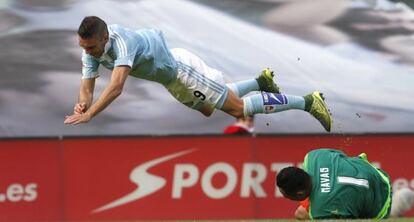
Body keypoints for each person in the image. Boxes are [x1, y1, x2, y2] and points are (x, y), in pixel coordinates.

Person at [64, 16, 332, 132]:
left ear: (105, 37)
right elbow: (87, 84)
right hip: (171, 79)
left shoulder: (122, 43)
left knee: (238, 110)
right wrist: (83, 103)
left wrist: (91, 114)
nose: (87, 52)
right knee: (208, 109)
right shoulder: (90, 50)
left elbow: (116, 87)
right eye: (83, 46)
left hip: (182, 71)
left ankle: (308, 102)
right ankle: (260, 81)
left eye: (91, 46)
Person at [276, 148, 392, 220]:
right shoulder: (314, 156)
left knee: (301, 214)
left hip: (381, 208)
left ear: (300, 194)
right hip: (376, 175)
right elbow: (342, 156)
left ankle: (401, 202)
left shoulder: (321, 211)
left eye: (285, 195)